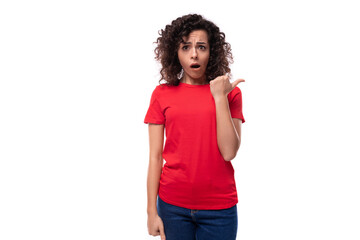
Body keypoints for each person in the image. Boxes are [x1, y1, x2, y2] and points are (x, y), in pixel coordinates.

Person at [144, 13, 245, 240]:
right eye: (185, 47)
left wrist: (219, 97)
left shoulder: (231, 94)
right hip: (172, 207)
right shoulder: (161, 95)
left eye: (201, 47)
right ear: (175, 53)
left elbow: (229, 152)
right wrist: (151, 211)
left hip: (219, 209)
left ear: (212, 51)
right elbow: (155, 156)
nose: (194, 54)